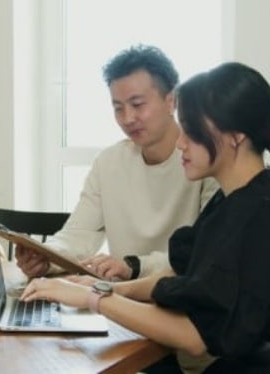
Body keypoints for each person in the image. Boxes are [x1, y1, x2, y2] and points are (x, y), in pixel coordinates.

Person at [21, 62, 270, 372]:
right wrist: (100, 288)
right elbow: (182, 279)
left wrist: (93, 297)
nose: (182, 142)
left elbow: (196, 335)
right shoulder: (231, 200)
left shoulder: (256, 213)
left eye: (192, 133)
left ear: (234, 136)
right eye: (118, 107)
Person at [16, 45, 218, 280]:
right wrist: (47, 258)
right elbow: (80, 232)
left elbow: (203, 251)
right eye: (118, 108)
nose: (128, 118)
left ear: (171, 100)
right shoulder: (108, 163)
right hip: (122, 299)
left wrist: (134, 266)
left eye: (137, 104)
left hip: (181, 299)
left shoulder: (205, 161)